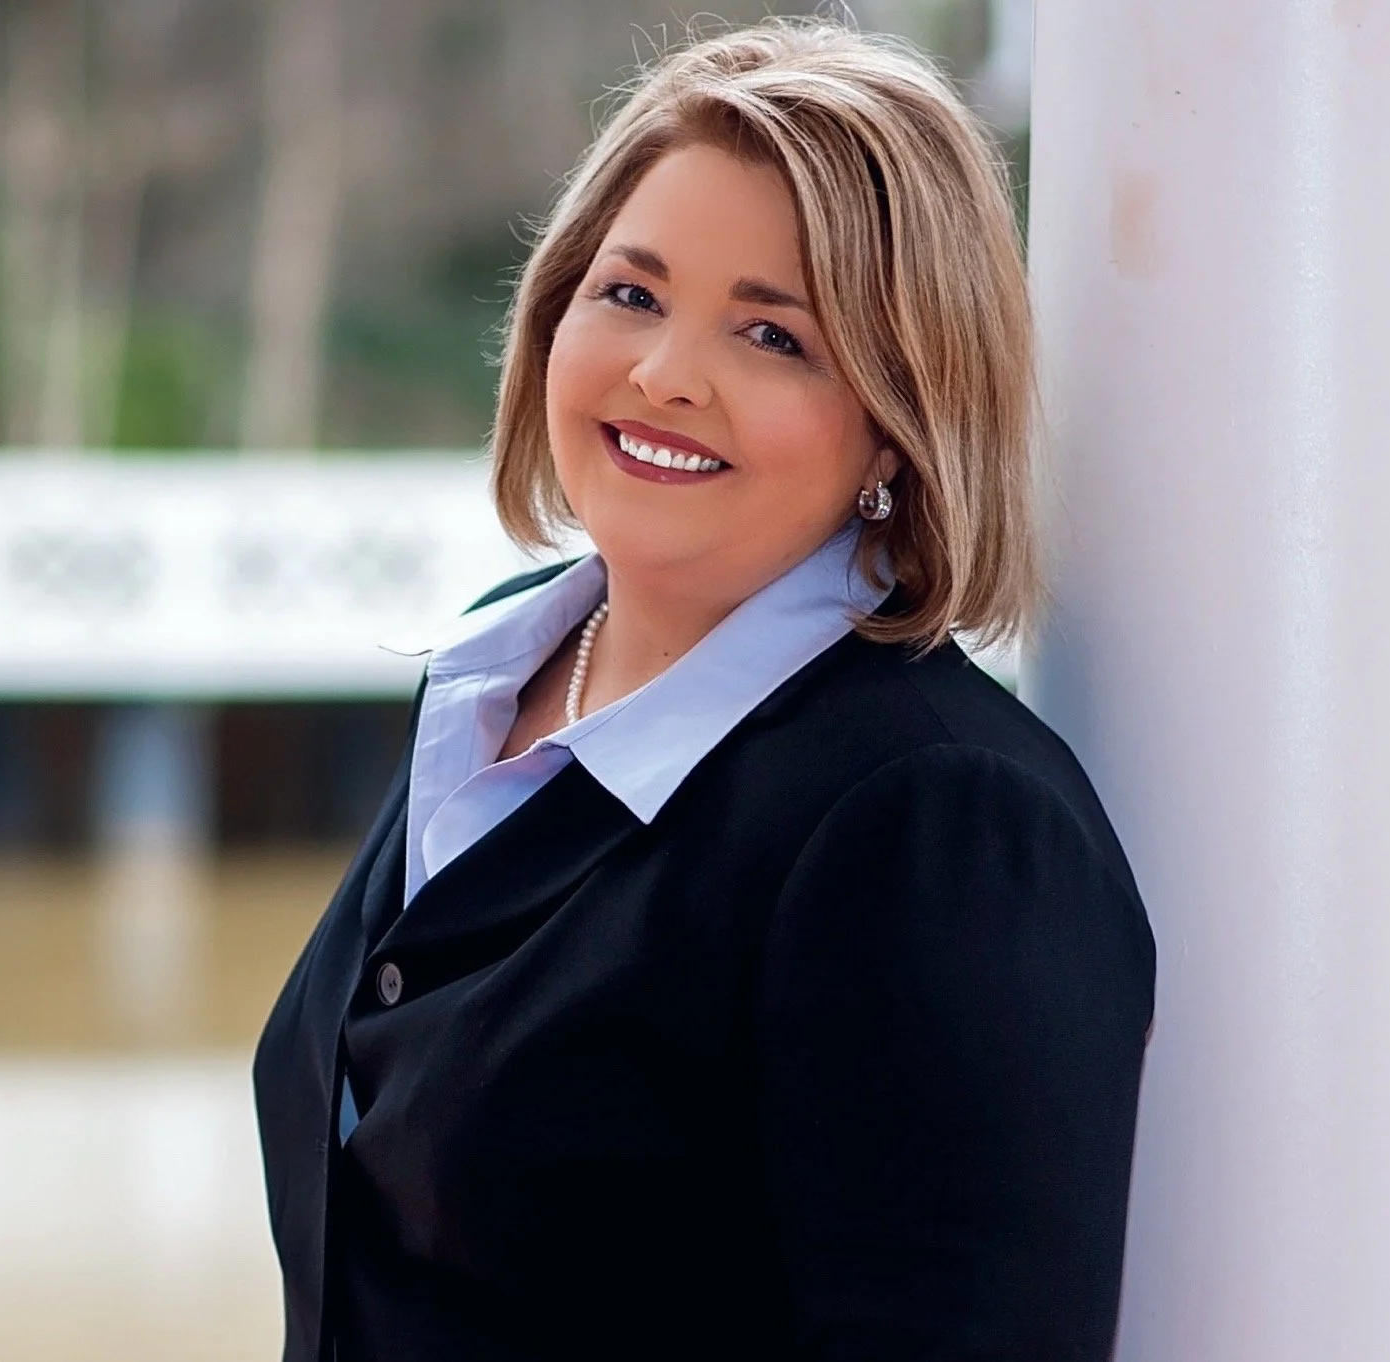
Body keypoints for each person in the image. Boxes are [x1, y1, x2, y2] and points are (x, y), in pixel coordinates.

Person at [254, 18, 1155, 1362]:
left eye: (774, 336)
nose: (668, 373)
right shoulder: (492, 677)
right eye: (631, 293)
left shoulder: (939, 828)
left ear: (899, 423)